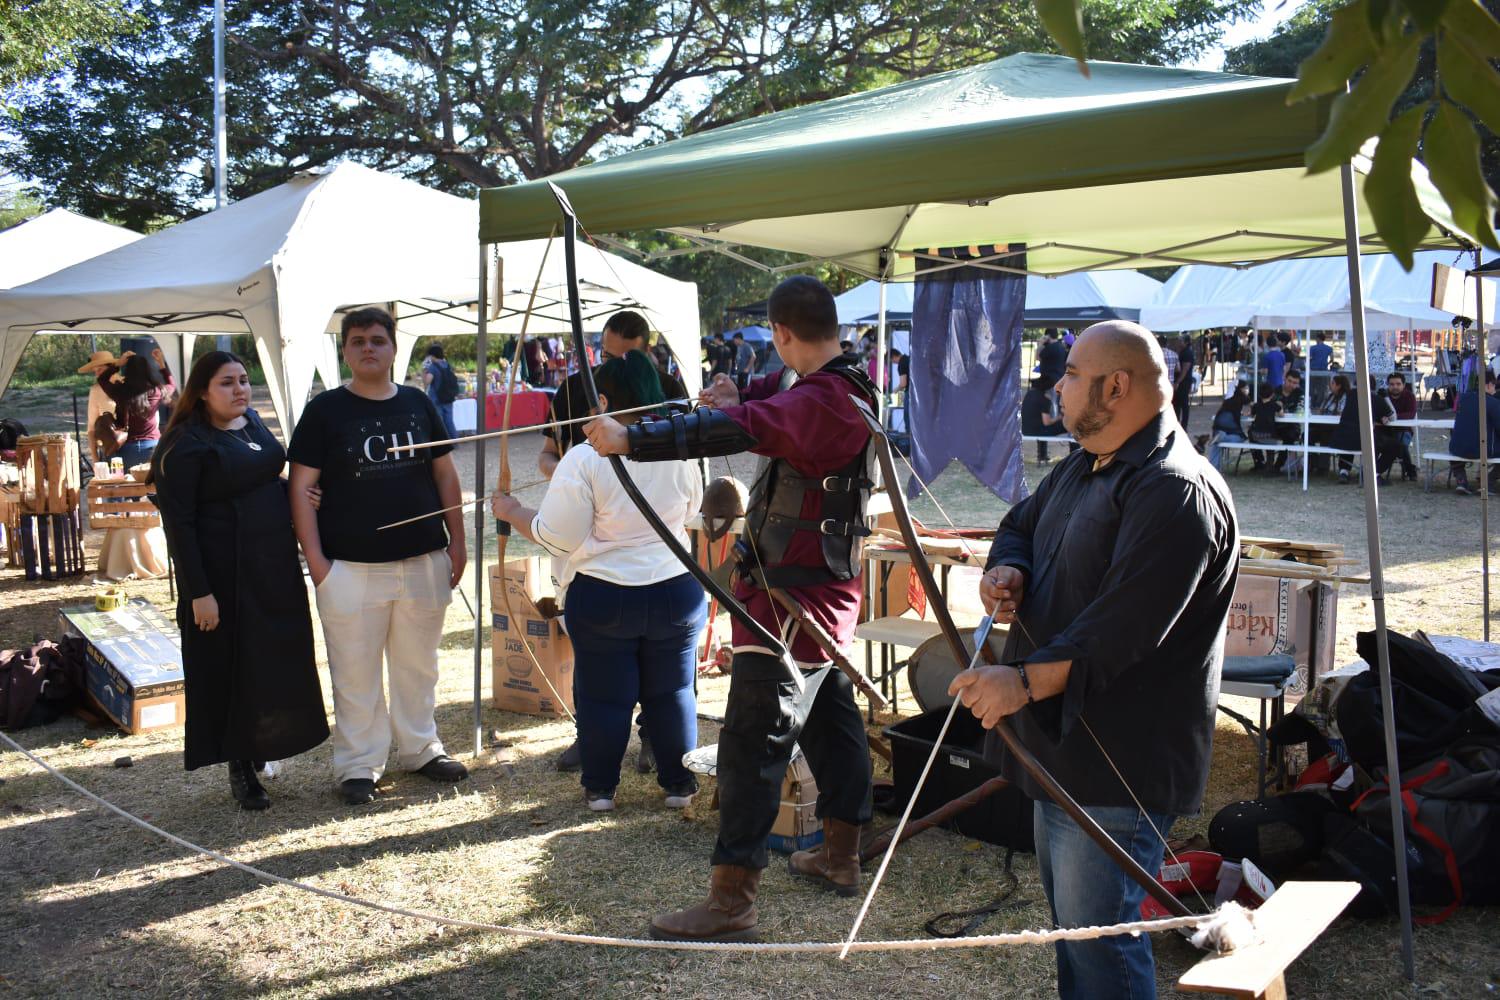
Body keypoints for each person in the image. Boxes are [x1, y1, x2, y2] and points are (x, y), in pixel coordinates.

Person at [950, 321, 1237, 1000]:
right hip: (1065, 748)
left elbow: (1120, 632)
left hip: (1121, 765)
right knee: (1075, 936)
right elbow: (1020, 523)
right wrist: (1008, 571)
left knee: (1100, 941)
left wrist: (1018, 682)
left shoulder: (1175, 490)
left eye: (1073, 373)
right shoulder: (1089, 462)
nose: (1059, 383)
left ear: (1117, 385)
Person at [586, 275, 877, 942]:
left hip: (793, 598)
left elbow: (758, 421)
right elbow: (766, 400)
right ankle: (839, 853)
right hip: (803, 588)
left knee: (752, 737)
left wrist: (635, 440)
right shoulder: (841, 381)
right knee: (829, 718)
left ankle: (732, 901)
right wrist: (733, 392)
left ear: (780, 334)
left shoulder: (825, 399)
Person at [494, 352, 704, 812]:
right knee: (672, 692)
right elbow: (691, 512)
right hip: (674, 590)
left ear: (604, 401)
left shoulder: (585, 457)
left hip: (606, 595)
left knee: (606, 696)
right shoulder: (679, 447)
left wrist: (511, 512)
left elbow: (556, 535)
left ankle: (601, 790)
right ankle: (678, 786)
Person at [287, 307, 470, 806]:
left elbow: (445, 477)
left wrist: (458, 541)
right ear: (345, 350)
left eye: (377, 340)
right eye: (357, 341)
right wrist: (319, 565)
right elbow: (302, 488)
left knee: (418, 666)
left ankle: (420, 748)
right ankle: (358, 764)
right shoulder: (325, 411)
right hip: (348, 567)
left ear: (393, 348)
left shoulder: (417, 402)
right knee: (354, 670)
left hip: (422, 562)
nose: (368, 347)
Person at [151, 351, 328, 810]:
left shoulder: (250, 423)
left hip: (272, 569)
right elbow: (180, 525)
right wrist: (199, 594)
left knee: (271, 659)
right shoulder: (185, 445)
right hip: (222, 578)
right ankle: (241, 766)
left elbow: (267, 473)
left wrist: (297, 492)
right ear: (202, 392)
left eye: (244, 380)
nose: (240, 390)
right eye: (227, 383)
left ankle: (266, 745)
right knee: (234, 665)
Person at [541, 310, 687, 772]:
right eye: (606, 353)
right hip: (638, 576)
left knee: (659, 687)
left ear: (645, 347)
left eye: (624, 355)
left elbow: (557, 536)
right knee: (609, 684)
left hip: (632, 579)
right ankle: (612, 756)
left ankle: (646, 758)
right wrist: (568, 475)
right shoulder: (577, 402)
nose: (612, 360)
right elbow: (552, 452)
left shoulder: (671, 411)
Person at [103, 350, 177, 470]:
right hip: (153, 448)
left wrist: (118, 364)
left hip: (127, 450)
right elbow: (172, 384)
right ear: (147, 370)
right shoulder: (157, 391)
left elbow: (102, 380)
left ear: (127, 371)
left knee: (128, 485)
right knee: (156, 486)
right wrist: (161, 364)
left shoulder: (120, 391)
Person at [1330, 376, 1396, 485]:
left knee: (1351, 433)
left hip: (1340, 438)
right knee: (1395, 446)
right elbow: (1393, 417)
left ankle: (1344, 471)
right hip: (1364, 441)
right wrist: (1386, 397)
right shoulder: (1375, 398)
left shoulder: (1348, 396)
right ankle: (1373, 473)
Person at [1449, 371, 1500, 495]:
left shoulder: (1462, 399)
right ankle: (1489, 482)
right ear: (1489, 385)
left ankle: (1461, 481)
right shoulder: (1493, 403)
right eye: (1494, 385)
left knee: (1456, 445)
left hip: (1457, 449)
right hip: (1484, 450)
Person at [1022, 377, 1068, 462]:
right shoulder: (1044, 399)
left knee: (1041, 427)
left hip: (1026, 430)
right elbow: (1046, 422)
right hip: (1037, 432)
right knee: (1068, 424)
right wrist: (1059, 418)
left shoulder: (1029, 394)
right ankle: (1074, 451)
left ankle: (1042, 456)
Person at [420, 343, 460, 440]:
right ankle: (454, 440)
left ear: (432, 355)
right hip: (449, 397)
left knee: (439, 422)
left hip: (437, 399)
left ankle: (443, 442)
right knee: (449, 420)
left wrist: (424, 371)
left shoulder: (433, 367)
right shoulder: (447, 365)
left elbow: (427, 381)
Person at [1384, 372, 1418, 482]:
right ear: (1388, 385)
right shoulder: (1383, 396)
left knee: (1401, 444)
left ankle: (1410, 470)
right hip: (1385, 430)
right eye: (1392, 384)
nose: (1395, 387)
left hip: (1404, 430)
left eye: (1398, 384)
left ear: (1403, 385)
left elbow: (1411, 414)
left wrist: (1392, 417)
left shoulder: (1410, 396)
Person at [1207, 384, 1249, 470]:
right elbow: (1248, 402)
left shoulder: (1227, 402)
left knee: (1216, 443)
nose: (1247, 390)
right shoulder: (1240, 400)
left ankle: (1213, 468)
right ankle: (1223, 437)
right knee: (1241, 438)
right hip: (1230, 431)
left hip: (1218, 430)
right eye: (1246, 388)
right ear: (1241, 389)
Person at [1248, 383, 1282, 471]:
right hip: (1270, 436)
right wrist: (1281, 407)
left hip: (1256, 436)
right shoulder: (1274, 405)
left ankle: (1259, 462)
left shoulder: (1256, 405)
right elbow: (1281, 414)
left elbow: (1251, 415)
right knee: (1271, 446)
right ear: (1272, 394)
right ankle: (1269, 465)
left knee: (1251, 433)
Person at [1172, 334, 1195, 427]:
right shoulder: (1182, 352)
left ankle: (1183, 425)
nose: (1179, 342)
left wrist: (1178, 382)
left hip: (1184, 382)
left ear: (1186, 342)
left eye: (1181, 341)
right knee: (1177, 403)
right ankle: (1177, 423)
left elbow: (1185, 369)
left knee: (1183, 404)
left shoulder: (1187, 353)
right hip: (1182, 381)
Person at [1309, 332, 1333, 409]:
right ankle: (1319, 405)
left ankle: (1312, 404)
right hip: (1324, 371)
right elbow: (1332, 359)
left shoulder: (1312, 348)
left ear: (1318, 338)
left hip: (1313, 370)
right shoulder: (1329, 348)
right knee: (1321, 389)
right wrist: (1327, 363)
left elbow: (1309, 358)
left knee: (1312, 388)